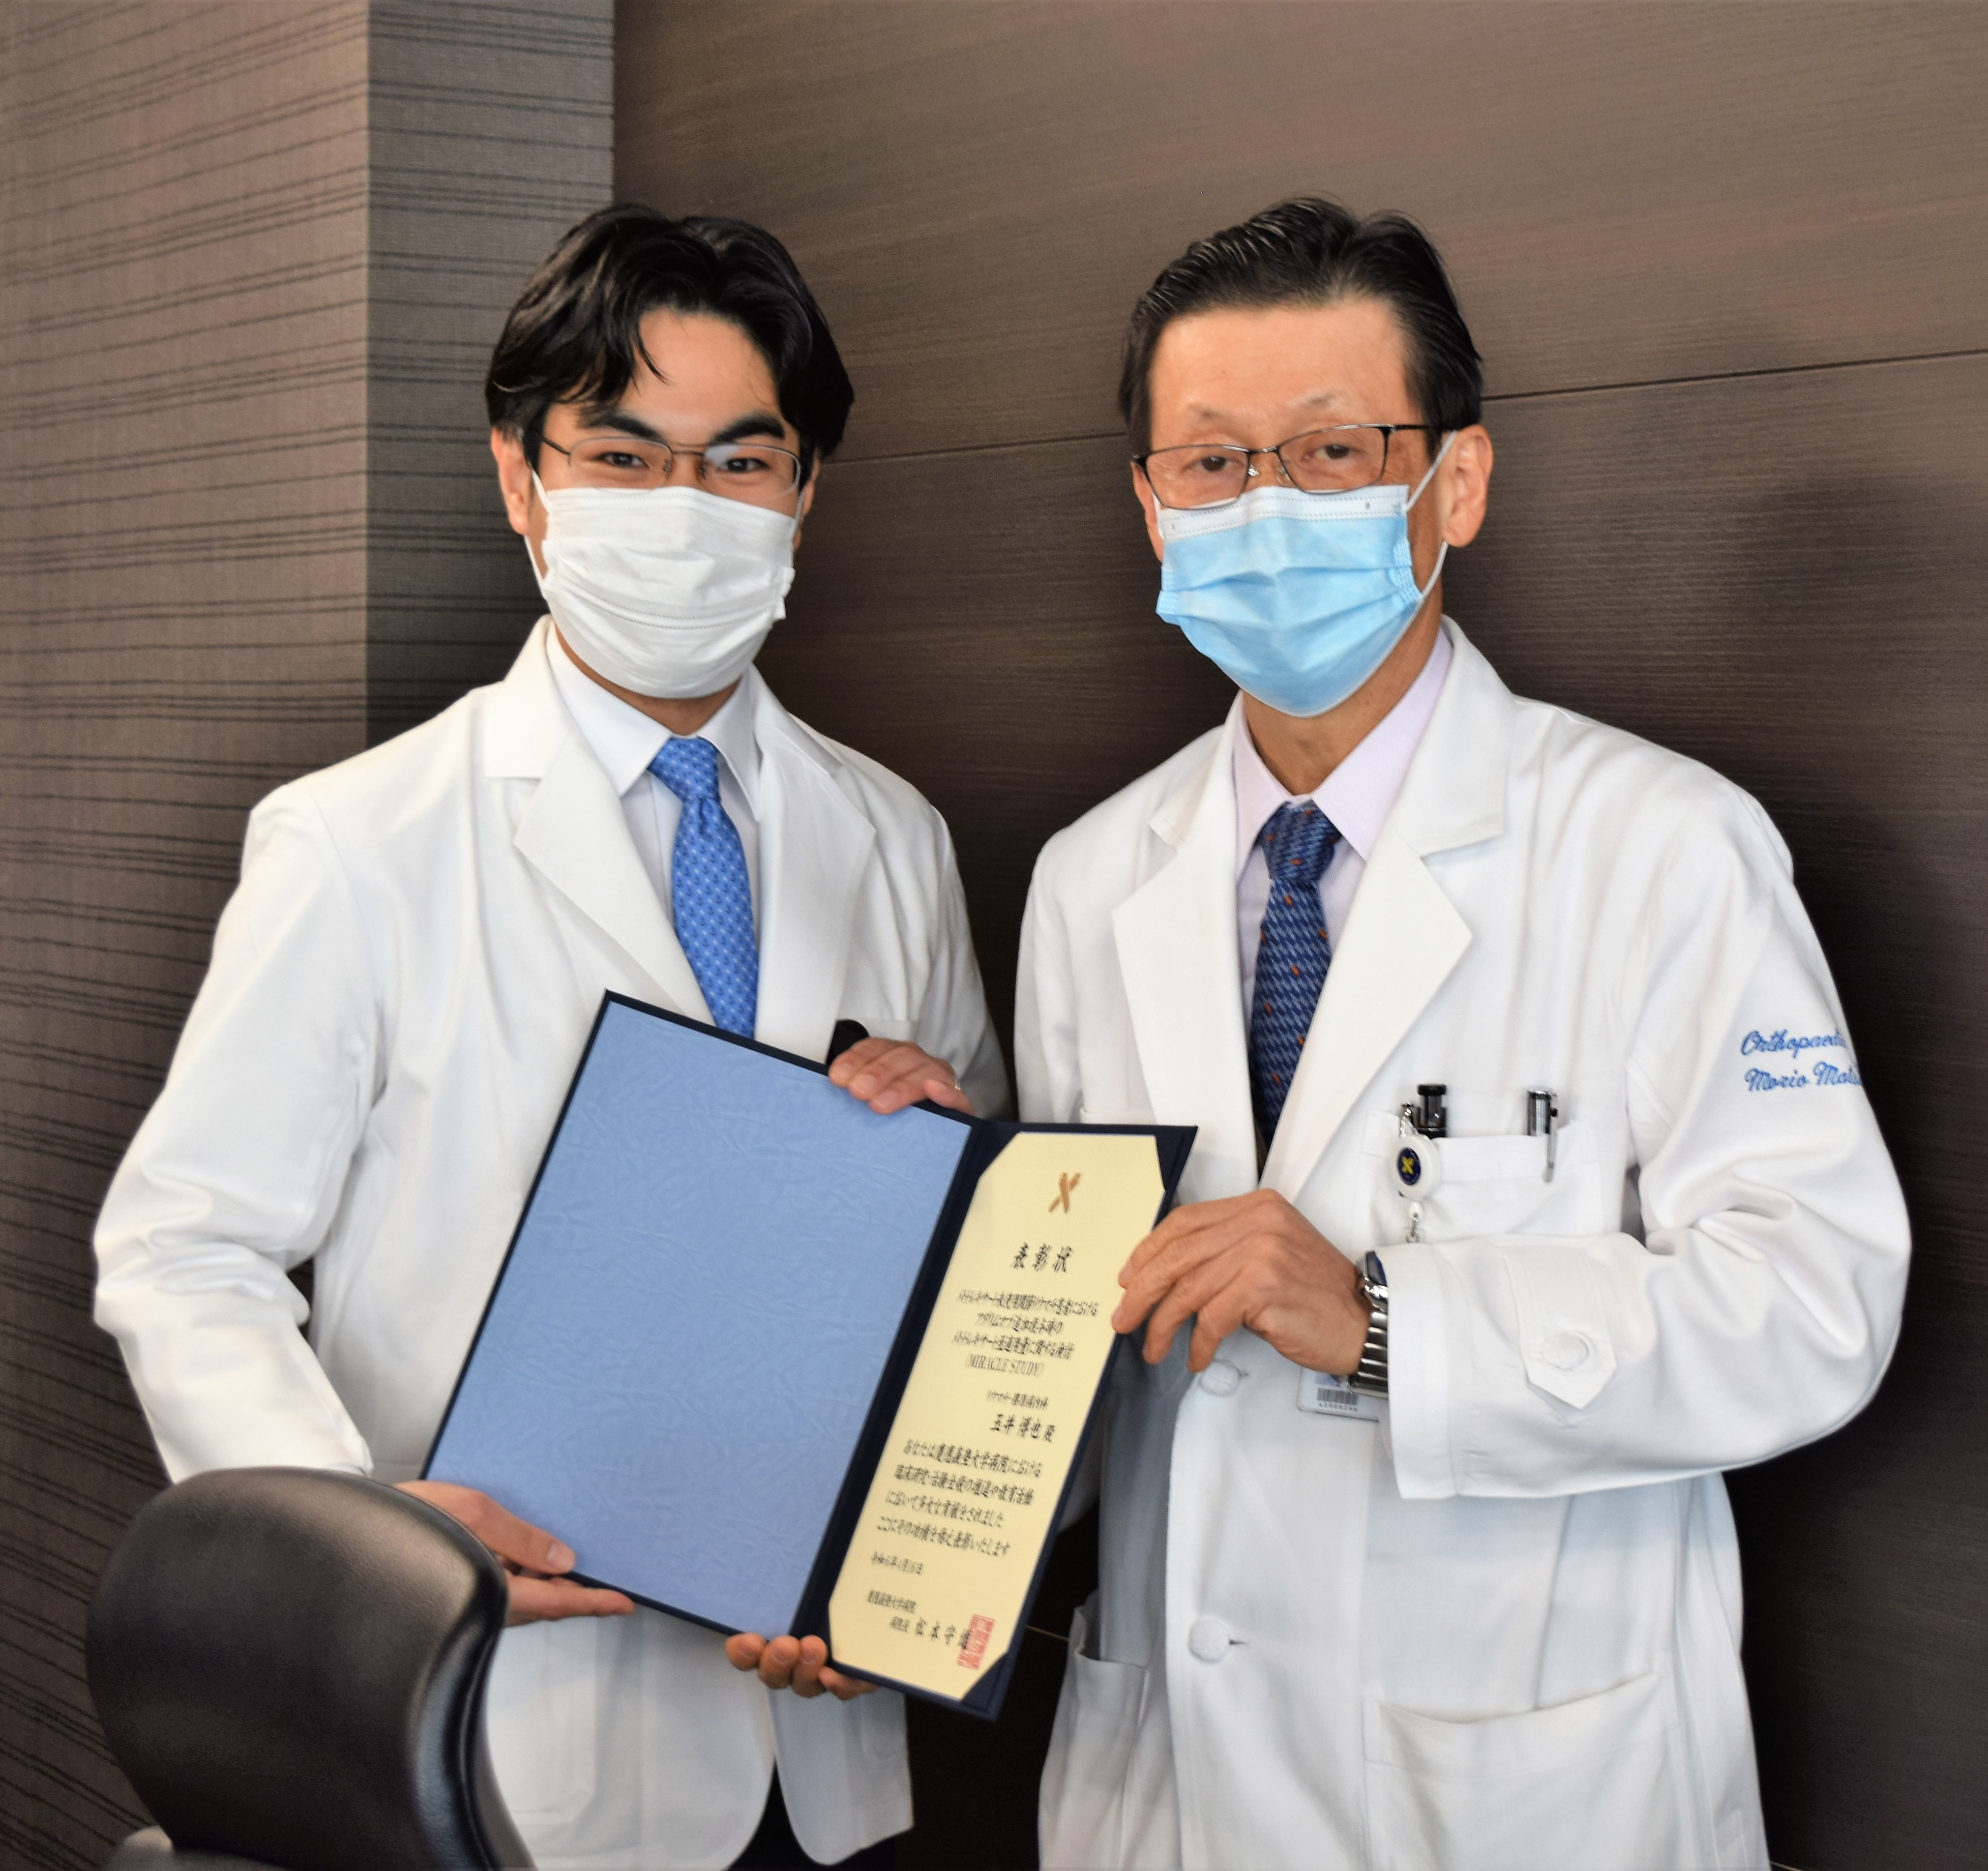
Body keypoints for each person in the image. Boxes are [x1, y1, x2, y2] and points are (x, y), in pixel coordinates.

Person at [94, 205, 1006, 1870]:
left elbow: (976, 1278)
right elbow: (182, 1247)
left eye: (741, 461)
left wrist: (948, 1166)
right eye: (622, 457)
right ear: (523, 479)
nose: (684, 509)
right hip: (501, 1728)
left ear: (805, 491)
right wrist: (365, 1539)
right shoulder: (360, 840)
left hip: (816, 1730)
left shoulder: (894, 838)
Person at [1017, 197, 1908, 1871]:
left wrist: (1383, 1322)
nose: (1266, 506)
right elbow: (1075, 1333)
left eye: (1331, 452)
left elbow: (1816, 1303)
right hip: (1171, 1775)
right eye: (1211, 465)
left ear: (1458, 482)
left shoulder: (1663, 843)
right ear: (1150, 507)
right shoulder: (1088, 880)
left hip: (1523, 1787)